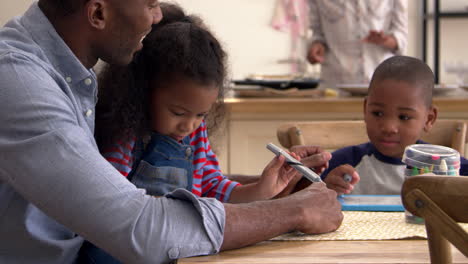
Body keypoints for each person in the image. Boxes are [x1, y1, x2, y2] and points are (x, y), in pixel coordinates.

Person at [0, 1, 343, 263]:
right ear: (98, 13)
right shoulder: (19, 84)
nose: (157, 17)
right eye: (149, 3)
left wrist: (269, 189)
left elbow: (196, 184)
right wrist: (294, 212)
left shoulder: (70, 76)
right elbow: (137, 225)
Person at [320, 55, 468, 195]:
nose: (388, 127)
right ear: (365, 109)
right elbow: (309, 200)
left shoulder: (448, 168)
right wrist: (327, 190)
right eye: (377, 113)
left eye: (404, 117)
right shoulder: (339, 165)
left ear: (429, 119)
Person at [307, 0, 408, 87]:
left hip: (382, 82)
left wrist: (386, 40)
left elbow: (402, 36)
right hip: (336, 85)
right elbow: (317, 32)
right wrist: (316, 46)